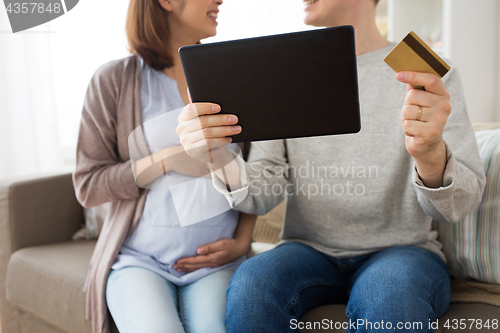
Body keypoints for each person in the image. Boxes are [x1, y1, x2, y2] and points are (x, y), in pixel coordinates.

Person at [176, 0, 486, 332]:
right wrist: (218, 157)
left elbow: (459, 205)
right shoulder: (283, 74)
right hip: (306, 250)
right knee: (254, 286)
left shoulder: (429, 74)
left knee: (392, 298)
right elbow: (261, 196)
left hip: (403, 250)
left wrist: (430, 154)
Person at [73, 1, 257, 332]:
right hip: (139, 261)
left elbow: (255, 171)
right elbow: (89, 184)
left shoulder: (231, 76)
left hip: (215, 265)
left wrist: (243, 241)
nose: (220, 0)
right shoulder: (114, 80)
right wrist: (168, 160)